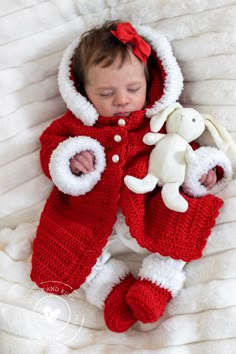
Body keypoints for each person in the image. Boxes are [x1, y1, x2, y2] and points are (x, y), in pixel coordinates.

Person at [30, 20, 231, 333]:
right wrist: (70, 158)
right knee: (68, 249)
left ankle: (158, 283)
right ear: (82, 92)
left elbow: (184, 150)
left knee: (185, 221)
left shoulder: (160, 121)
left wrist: (203, 172)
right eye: (106, 92)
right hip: (90, 213)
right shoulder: (75, 126)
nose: (122, 100)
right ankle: (110, 289)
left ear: (149, 83)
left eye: (133, 89)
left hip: (151, 204)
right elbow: (51, 150)